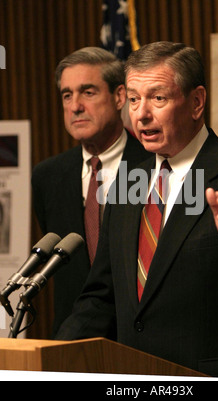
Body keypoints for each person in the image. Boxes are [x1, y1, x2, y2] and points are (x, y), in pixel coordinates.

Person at [56, 42, 218, 379]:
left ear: (196, 102)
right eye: (134, 99)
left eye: (158, 98)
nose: (140, 114)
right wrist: (52, 359)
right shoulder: (129, 180)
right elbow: (101, 296)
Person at [32, 47, 152, 337]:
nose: (75, 106)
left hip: (139, 344)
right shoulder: (47, 176)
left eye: (87, 92)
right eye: (67, 95)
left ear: (120, 96)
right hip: (72, 345)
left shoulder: (155, 168)